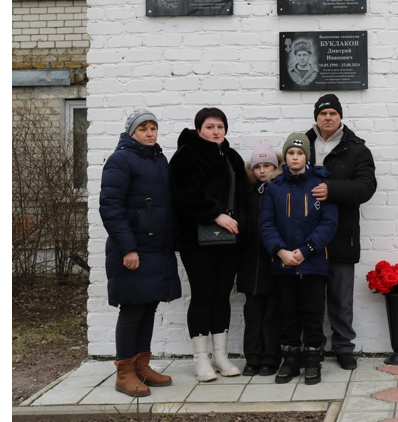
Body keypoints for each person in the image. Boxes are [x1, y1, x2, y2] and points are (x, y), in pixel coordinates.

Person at [100, 109, 182, 396]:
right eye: (143, 128)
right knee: (133, 308)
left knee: (149, 305)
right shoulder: (120, 160)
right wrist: (128, 248)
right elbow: (111, 207)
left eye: (153, 128)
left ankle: (141, 365)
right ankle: (124, 372)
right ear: (131, 132)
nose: (149, 133)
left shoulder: (159, 159)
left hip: (156, 248)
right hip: (134, 249)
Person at [170, 107, 250, 382]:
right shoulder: (185, 156)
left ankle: (221, 356)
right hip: (196, 241)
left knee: (222, 295)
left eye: (220, 127)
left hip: (229, 241)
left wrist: (239, 224)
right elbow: (184, 194)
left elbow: (243, 196)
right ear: (198, 129)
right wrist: (216, 215)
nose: (216, 132)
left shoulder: (231, 157)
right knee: (203, 295)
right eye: (210, 127)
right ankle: (200, 359)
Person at [304, 94, 378, 370]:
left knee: (341, 296)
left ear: (340, 117)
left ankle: (343, 346)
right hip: (305, 234)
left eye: (333, 113)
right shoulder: (301, 143)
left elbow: (366, 187)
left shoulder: (356, 149)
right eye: (323, 114)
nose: (328, 118)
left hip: (341, 234)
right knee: (308, 296)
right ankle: (311, 347)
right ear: (316, 117)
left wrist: (332, 190)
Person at [260, 134, 338, 385]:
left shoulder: (320, 183)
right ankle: (291, 360)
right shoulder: (275, 187)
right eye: (291, 153)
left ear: (307, 156)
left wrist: (307, 250)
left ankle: (313, 360)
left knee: (313, 312)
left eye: (300, 153)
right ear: (286, 157)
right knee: (288, 313)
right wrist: (280, 251)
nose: (295, 157)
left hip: (313, 262)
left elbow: (328, 223)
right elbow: (266, 224)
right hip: (284, 264)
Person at [237, 140, 283, 377]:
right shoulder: (248, 195)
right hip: (250, 265)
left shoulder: (279, 193)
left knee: (272, 315)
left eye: (268, 165)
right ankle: (253, 358)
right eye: (258, 166)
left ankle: (271, 357)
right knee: (253, 314)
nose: (263, 170)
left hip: (273, 264)